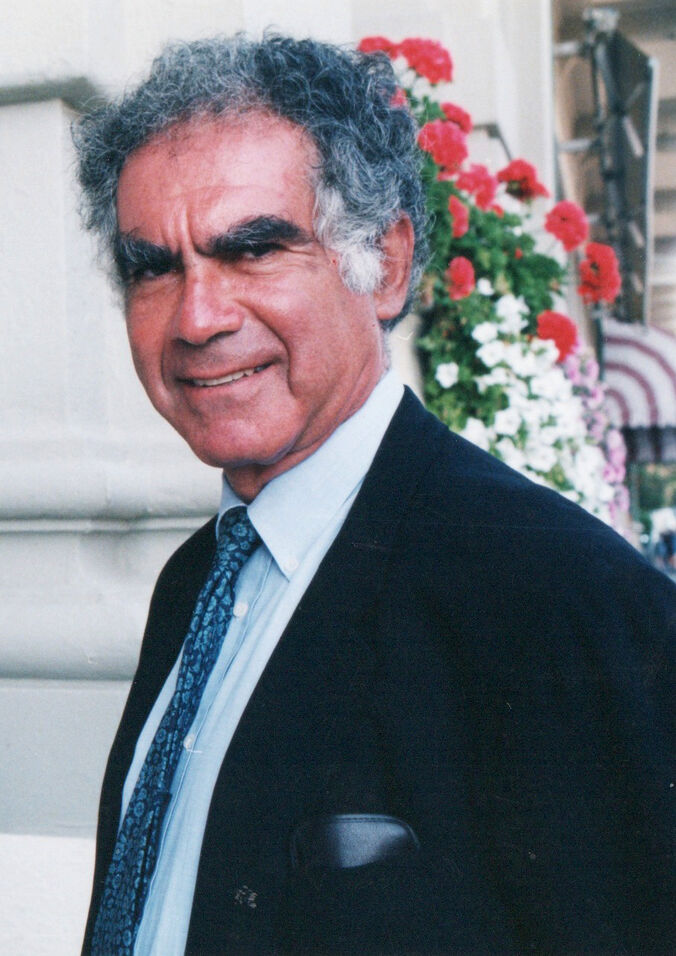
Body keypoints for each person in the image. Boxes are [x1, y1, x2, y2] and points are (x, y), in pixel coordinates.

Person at [73, 35, 676, 955]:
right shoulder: (196, 580)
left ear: (386, 265)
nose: (198, 317)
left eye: (255, 249)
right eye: (154, 267)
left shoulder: (557, 597)